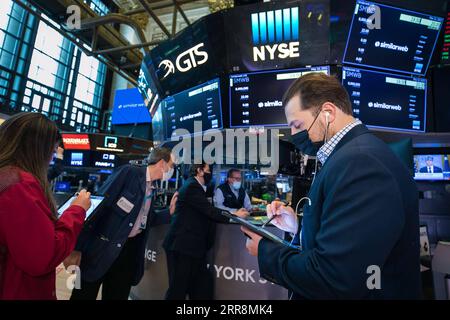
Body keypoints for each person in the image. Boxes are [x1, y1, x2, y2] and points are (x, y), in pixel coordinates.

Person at [242, 73, 421, 299]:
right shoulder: (348, 155)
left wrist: (265, 253)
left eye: (297, 125)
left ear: (328, 112)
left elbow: (335, 276)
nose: (294, 135)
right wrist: (299, 228)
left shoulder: (360, 162)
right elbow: (352, 240)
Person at [0, 112, 91, 300]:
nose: (53, 155)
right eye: (53, 149)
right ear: (37, 147)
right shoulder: (19, 185)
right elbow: (42, 257)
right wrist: (77, 209)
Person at [67, 147, 177, 300]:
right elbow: (99, 206)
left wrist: (170, 212)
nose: (172, 170)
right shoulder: (129, 173)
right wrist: (77, 247)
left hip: (127, 253)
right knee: (83, 294)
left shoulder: (152, 188)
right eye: (171, 165)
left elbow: (146, 220)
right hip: (100, 248)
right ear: (161, 163)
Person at [163, 163, 249, 300]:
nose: (212, 175)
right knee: (177, 290)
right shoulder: (192, 186)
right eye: (209, 170)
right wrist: (235, 215)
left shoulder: (198, 187)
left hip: (193, 248)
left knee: (200, 288)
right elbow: (209, 211)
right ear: (200, 171)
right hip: (181, 247)